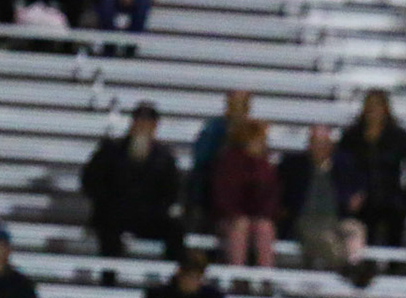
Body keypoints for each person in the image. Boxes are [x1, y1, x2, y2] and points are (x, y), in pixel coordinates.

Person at [81, 102, 182, 262]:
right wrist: (110, 202)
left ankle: (173, 272)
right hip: (115, 213)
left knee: (175, 227)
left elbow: (172, 191)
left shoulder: (165, 157)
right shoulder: (110, 150)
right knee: (108, 227)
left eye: (148, 123)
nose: (142, 127)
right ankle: (109, 273)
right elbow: (92, 181)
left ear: (155, 127)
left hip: (149, 216)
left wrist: (154, 209)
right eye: (139, 122)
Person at [280, 124, 370, 277]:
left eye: (324, 144)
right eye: (316, 143)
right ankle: (348, 270)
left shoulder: (343, 166)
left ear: (331, 146)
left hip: (337, 219)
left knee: (356, 229)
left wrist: (357, 196)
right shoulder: (294, 166)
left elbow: (360, 185)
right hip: (307, 221)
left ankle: (354, 264)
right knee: (327, 239)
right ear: (309, 145)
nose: (320, 148)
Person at [338, 89, 406, 250]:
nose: (373, 110)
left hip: (391, 200)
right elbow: (340, 167)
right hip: (361, 200)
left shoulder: (399, 136)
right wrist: (349, 193)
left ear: (386, 109)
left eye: (378, 105)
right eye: (370, 105)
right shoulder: (351, 137)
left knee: (396, 231)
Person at [211, 119, 279, 269]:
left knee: (265, 227)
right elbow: (224, 197)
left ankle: (266, 275)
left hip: (257, 217)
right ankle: (237, 272)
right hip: (229, 218)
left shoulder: (265, 164)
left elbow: (270, 196)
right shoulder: (229, 162)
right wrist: (236, 214)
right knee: (240, 225)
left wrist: (262, 214)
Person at [188, 90, 253, 229]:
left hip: (243, 200)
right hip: (211, 196)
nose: (238, 111)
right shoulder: (213, 129)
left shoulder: (253, 132)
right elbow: (201, 159)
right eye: (235, 105)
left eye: (242, 106)